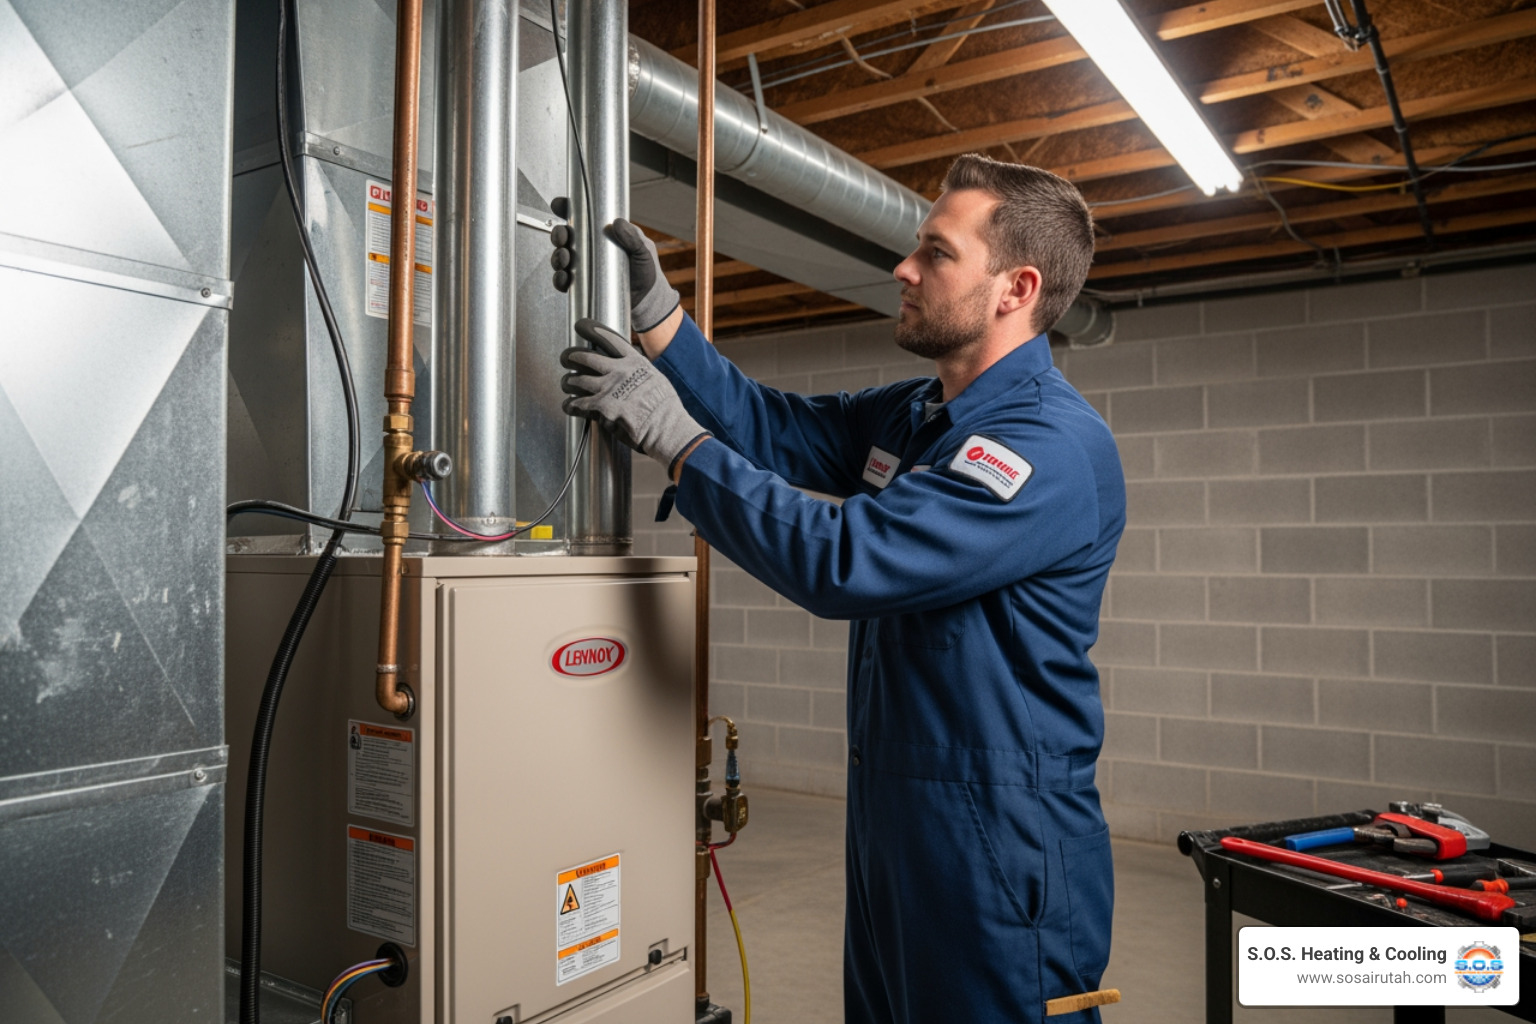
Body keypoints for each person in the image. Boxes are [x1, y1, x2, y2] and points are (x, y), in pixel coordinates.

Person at [561, 153, 1125, 1023]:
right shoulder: (917, 415)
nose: (903, 268)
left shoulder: (1046, 450)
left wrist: (677, 442)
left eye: (936, 253)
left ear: (1016, 289)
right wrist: (660, 322)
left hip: (1001, 849)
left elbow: (848, 559)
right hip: (896, 827)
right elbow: (772, 427)